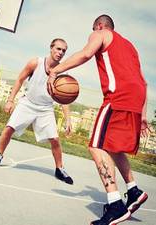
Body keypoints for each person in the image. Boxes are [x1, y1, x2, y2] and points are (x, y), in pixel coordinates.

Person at [47, 15, 150, 225]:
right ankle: (133, 191)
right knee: (112, 146)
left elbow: (85, 54)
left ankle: (115, 205)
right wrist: (144, 115)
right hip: (135, 97)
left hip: (117, 96)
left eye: (92, 29)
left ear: (100, 26)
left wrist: (56, 69)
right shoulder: (130, 46)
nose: (91, 33)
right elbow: (145, 82)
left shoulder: (101, 33)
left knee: (96, 146)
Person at [0, 38, 74, 185]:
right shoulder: (36, 63)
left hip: (45, 108)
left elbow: (64, 98)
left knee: (55, 139)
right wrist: (10, 99)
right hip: (27, 103)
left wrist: (68, 119)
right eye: (58, 49)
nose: (61, 53)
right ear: (51, 48)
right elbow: (20, 79)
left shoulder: (61, 72)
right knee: (9, 128)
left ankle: (60, 169)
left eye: (64, 51)